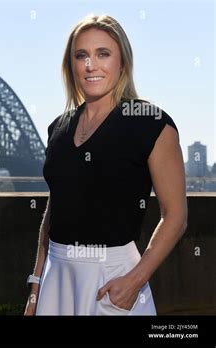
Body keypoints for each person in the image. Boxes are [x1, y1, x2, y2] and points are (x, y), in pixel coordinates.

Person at [24, 14, 187, 315]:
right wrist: (36, 287)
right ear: (70, 65)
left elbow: (175, 215)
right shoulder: (58, 128)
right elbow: (53, 213)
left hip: (113, 278)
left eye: (103, 54)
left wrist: (135, 280)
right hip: (56, 276)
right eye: (81, 55)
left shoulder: (150, 123)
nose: (90, 65)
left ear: (122, 62)